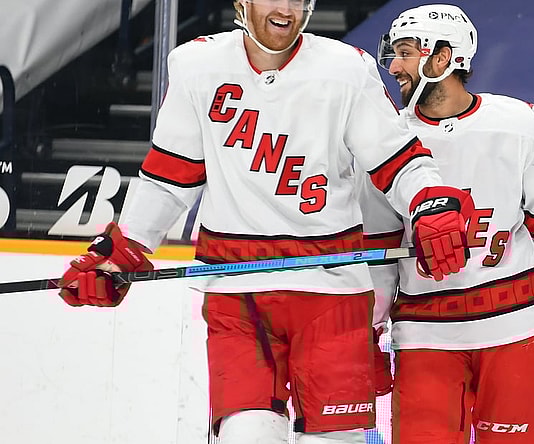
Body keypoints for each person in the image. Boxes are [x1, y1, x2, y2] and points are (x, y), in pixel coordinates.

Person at [55, 1, 476, 443]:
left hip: (332, 295)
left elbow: (400, 161)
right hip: (238, 296)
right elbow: (168, 177)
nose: (287, 9)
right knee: (247, 435)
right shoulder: (196, 65)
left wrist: (431, 204)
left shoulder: (347, 70)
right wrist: (122, 253)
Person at [359, 4, 534, 443]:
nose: (393, 66)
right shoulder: (385, 138)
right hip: (425, 340)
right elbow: (380, 250)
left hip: (514, 335)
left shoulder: (520, 125)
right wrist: (368, 328)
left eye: (406, 52)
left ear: (442, 57)